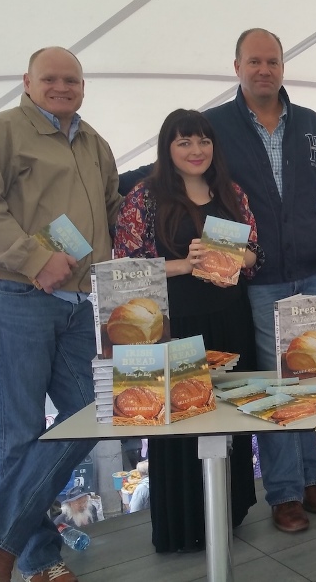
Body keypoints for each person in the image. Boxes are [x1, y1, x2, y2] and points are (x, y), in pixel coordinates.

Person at [0, 46, 122, 582]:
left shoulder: (94, 142)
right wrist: (34, 258)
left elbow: (113, 212)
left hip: (76, 304)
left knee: (93, 409)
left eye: (71, 79)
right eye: (50, 78)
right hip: (10, 294)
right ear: (27, 81)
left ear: (83, 85)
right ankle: (38, 563)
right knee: (19, 432)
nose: (62, 86)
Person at [205, 28, 316, 533]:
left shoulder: (308, 124)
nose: (264, 70)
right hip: (259, 280)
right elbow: (194, 184)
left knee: (309, 375)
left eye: (273, 62)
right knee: (277, 382)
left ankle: (308, 477)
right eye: (254, 62)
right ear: (236, 66)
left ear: (284, 66)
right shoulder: (215, 126)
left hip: (313, 272)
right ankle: (283, 492)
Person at [115, 109, 260, 550]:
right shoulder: (145, 197)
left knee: (228, 417)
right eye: (184, 143)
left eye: (202, 141)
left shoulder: (230, 192)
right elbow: (125, 267)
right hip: (175, 327)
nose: (196, 151)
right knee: (178, 421)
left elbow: (256, 254)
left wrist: (234, 256)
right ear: (168, 148)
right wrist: (183, 264)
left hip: (231, 319)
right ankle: (184, 524)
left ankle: (227, 513)